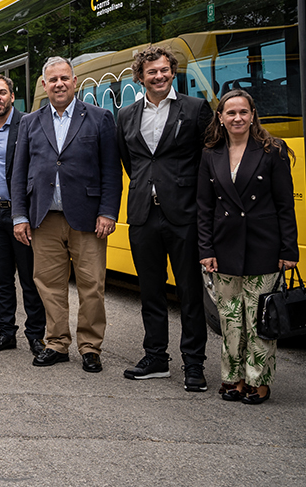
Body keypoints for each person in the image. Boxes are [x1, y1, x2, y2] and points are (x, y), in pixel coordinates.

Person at [12, 56, 120, 373]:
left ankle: (90, 348)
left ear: (74, 82)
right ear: (44, 85)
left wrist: (108, 212)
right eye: (52, 80)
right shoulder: (30, 122)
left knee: (92, 286)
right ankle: (56, 343)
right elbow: (19, 174)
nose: (59, 84)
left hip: (87, 218)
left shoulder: (99, 118)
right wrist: (20, 215)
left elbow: (111, 172)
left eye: (64, 78)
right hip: (44, 218)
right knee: (48, 285)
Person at [116, 46, 213, 391]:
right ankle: (156, 357)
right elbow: (133, 162)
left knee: (189, 293)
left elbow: (207, 160)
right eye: (151, 72)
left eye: (164, 70)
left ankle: (194, 365)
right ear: (139, 77)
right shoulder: (126, 115)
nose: (159, 76)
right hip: (143, 214)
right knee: (151, 292)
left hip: (184, 214)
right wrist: (149, 187)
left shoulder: (196, 109)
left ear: (173, 71)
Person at [198, 89, 298, 405]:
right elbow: (204, 207)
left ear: (253, 115)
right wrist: (206, 249)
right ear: (220, 118)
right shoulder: (210, 153)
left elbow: (285, 205)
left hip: (263, 247)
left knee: (258, 322)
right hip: (224, 248)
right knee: (229, 320)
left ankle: (259, 381)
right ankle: (233, 378)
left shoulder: (273, 151)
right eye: (231, 113)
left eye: (243, 112)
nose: (237, 118)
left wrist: (288, 251)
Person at [0, 74, 45, 356]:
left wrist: (24, 214)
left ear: (12, 96)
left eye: (2, 92)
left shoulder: (28, 124)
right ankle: (6, 333)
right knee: (2, 279)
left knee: (29, 278)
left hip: (20, 214)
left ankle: (36, 335)